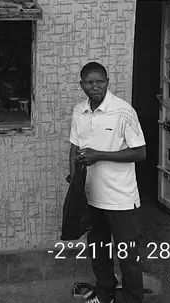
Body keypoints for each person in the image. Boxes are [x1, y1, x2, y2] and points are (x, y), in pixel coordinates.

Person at [69, 61, 147, 303]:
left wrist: (100, 155)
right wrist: (75, 181)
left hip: (120, 198)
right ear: (81, 85)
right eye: (89, 82)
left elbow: (140, 153)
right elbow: (74, 148)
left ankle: (133, 299)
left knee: (128, 258)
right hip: (92, 197)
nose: (95, 86)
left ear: (107, 82)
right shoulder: (79, 111)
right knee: (99, 253)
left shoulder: (123, 111)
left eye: (100, 81)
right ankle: (105, 295)